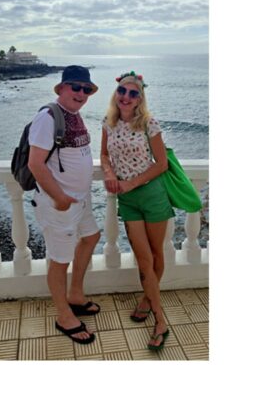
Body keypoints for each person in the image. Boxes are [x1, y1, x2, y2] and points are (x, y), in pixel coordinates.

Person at [28, 65, 102, 345]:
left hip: (79, 201)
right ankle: (63, 315)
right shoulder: (48, 117)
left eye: (86, 89)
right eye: (75, 87)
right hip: (58, 203)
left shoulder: (74, 114)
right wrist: (59, 197)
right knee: (60, 261)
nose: (81, 93)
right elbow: (35, 163)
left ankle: (76, 295)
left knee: (92, 236)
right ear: (61, 89)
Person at [100, 71, 173, 350]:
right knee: (144, 259)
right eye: (122, 91)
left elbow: (161, 164)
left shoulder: (149, 124)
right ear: (116, 93)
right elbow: (105, 154)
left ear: (140, 98)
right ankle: (159, 317)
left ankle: (150, 305)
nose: (126, 97)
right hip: (128, 200)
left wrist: (130, 182)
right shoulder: (108, 122)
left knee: (155, 255)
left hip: (152, 195)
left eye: (133, 93)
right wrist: (109, 173)